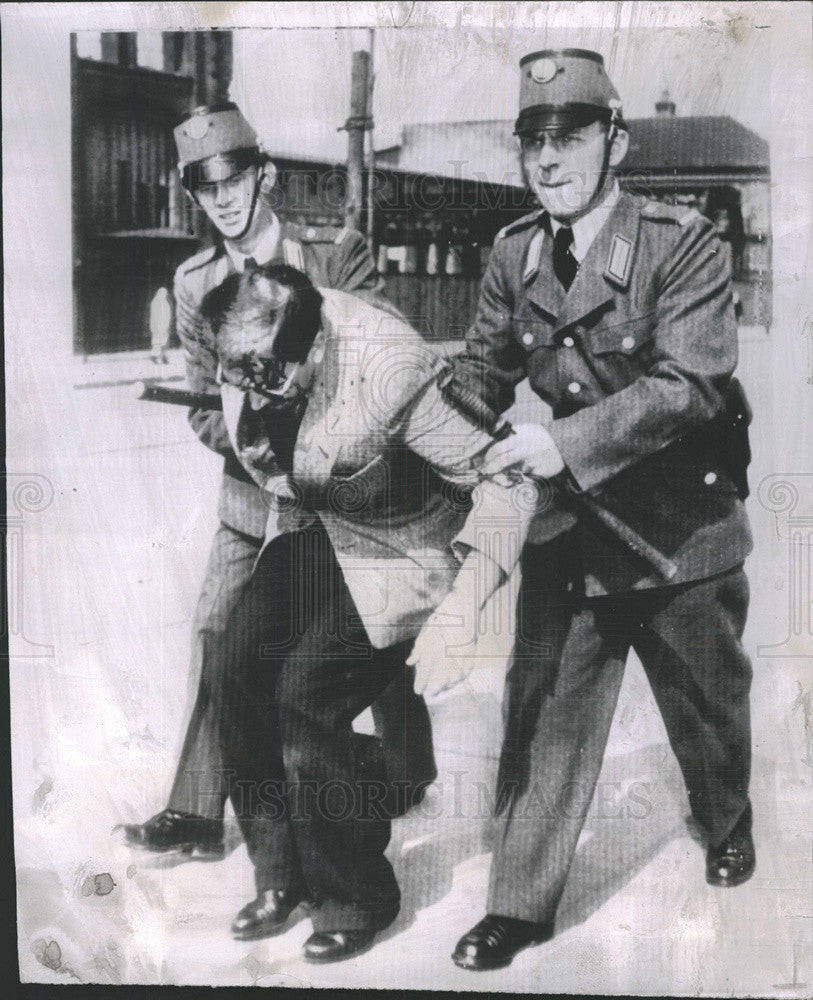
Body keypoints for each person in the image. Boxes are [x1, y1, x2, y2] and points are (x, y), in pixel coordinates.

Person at [448, 48, 755, 970]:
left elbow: (692, 382)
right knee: (542, 716)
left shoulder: (680, 242)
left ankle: (726, 817)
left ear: (612, 141)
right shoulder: (515, 253)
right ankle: (519, 900)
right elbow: (477, 373)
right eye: (532, 143)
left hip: (677, 535)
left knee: (705, 711)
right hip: (571, 529)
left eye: (570, 138)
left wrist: (563, 444)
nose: (548, 161)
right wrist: (401, 403)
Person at [120, 102, 436, 868]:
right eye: (205, 187)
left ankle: (404, 761)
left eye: (233, 179)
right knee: (219, 629)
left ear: (262, 174)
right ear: (192, 195)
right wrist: (248, 439)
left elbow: (385, 362)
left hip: (337, 493)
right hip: (249, 493)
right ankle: (199, 810)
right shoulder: (195, 284)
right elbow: (203, 404)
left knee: (360, 629)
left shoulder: (334, 253)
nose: (223, 199)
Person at [200, 263, 540, 962]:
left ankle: (356, 893)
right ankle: (281, 872)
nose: (247, 389)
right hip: (318, 520)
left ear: (317, 347)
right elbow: (260, 434)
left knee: (306, 699)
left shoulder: (390, 368)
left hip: (403, 546)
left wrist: (462, 611)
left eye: (265, 376)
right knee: (233, 670)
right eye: (236, 374)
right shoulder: (250, 347)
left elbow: (508, 481)